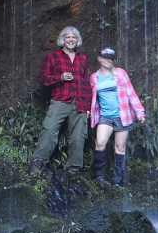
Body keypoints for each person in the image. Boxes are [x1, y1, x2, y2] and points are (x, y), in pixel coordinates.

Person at [31, 26, 92, 174]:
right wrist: (60, 77)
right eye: (68, 37)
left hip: (80, 102)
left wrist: (89, 106)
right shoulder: (53, 57)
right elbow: (44, 79)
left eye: (74, 37)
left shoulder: (82, 58)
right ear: (62, 40)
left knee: (78, 136)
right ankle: (37, 164)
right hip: (60, 100)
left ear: (77, 40)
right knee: (49, 130)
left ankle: (74, 169)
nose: (71, 40)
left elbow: (86, 83)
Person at [89, 47, 146, 186]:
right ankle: (99, 177)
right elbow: (92, 98)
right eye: (105, 57)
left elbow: (131, 93)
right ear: (99, 58)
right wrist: (88, 110)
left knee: (120, 147)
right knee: (100, 142)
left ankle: (118, 181)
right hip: (105, 116)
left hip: (122, 115)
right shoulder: (94, 77)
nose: (108, 60)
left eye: (111, 58)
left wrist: (140, 112)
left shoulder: (121, 73)